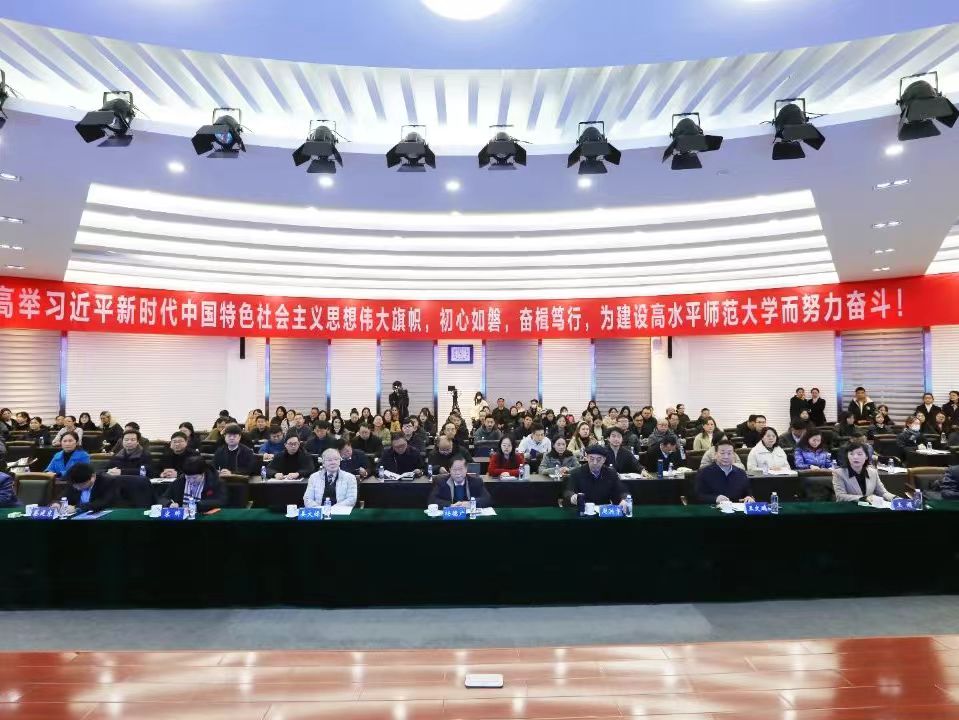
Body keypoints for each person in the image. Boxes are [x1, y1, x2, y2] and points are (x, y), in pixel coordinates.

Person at [563, 445, 629, 510]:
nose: (595, 462)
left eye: (598, 459)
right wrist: (572, 497)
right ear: (587, 458)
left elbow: (622, 490)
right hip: (583, 510)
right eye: (592, 459)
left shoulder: (611, 473)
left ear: (604, 460)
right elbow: (568, 491)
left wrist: (624, 499)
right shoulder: (576, 473)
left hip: (604, 510)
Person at [696, 440, 753, 505]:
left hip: (736, 509)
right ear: (715, 455)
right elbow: (698, 496)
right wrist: (715, 499)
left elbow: (747, 493)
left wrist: (749, 498)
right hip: (713, 509)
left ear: (734, 455)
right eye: (722, 453)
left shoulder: (741, 473)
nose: (726, 457)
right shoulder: (704, 473)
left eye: (729, 453)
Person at [161, 455, 227, 511]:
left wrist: (197, 505)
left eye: (194, 478)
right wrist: (169, 504)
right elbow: (163, 498)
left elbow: (222, 501)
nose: (191, 481)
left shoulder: (215, 482)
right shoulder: (179, 481)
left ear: (203, 473)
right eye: (188, 478)